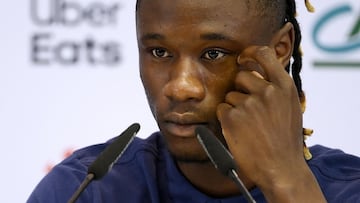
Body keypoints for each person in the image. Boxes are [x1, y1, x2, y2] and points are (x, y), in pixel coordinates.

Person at [28, 0, 360, 202]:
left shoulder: (348, 191)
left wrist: (287, 184)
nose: (180, 87)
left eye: (213, 53)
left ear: (279, 51)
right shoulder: (84, 190)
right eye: (159, 52)